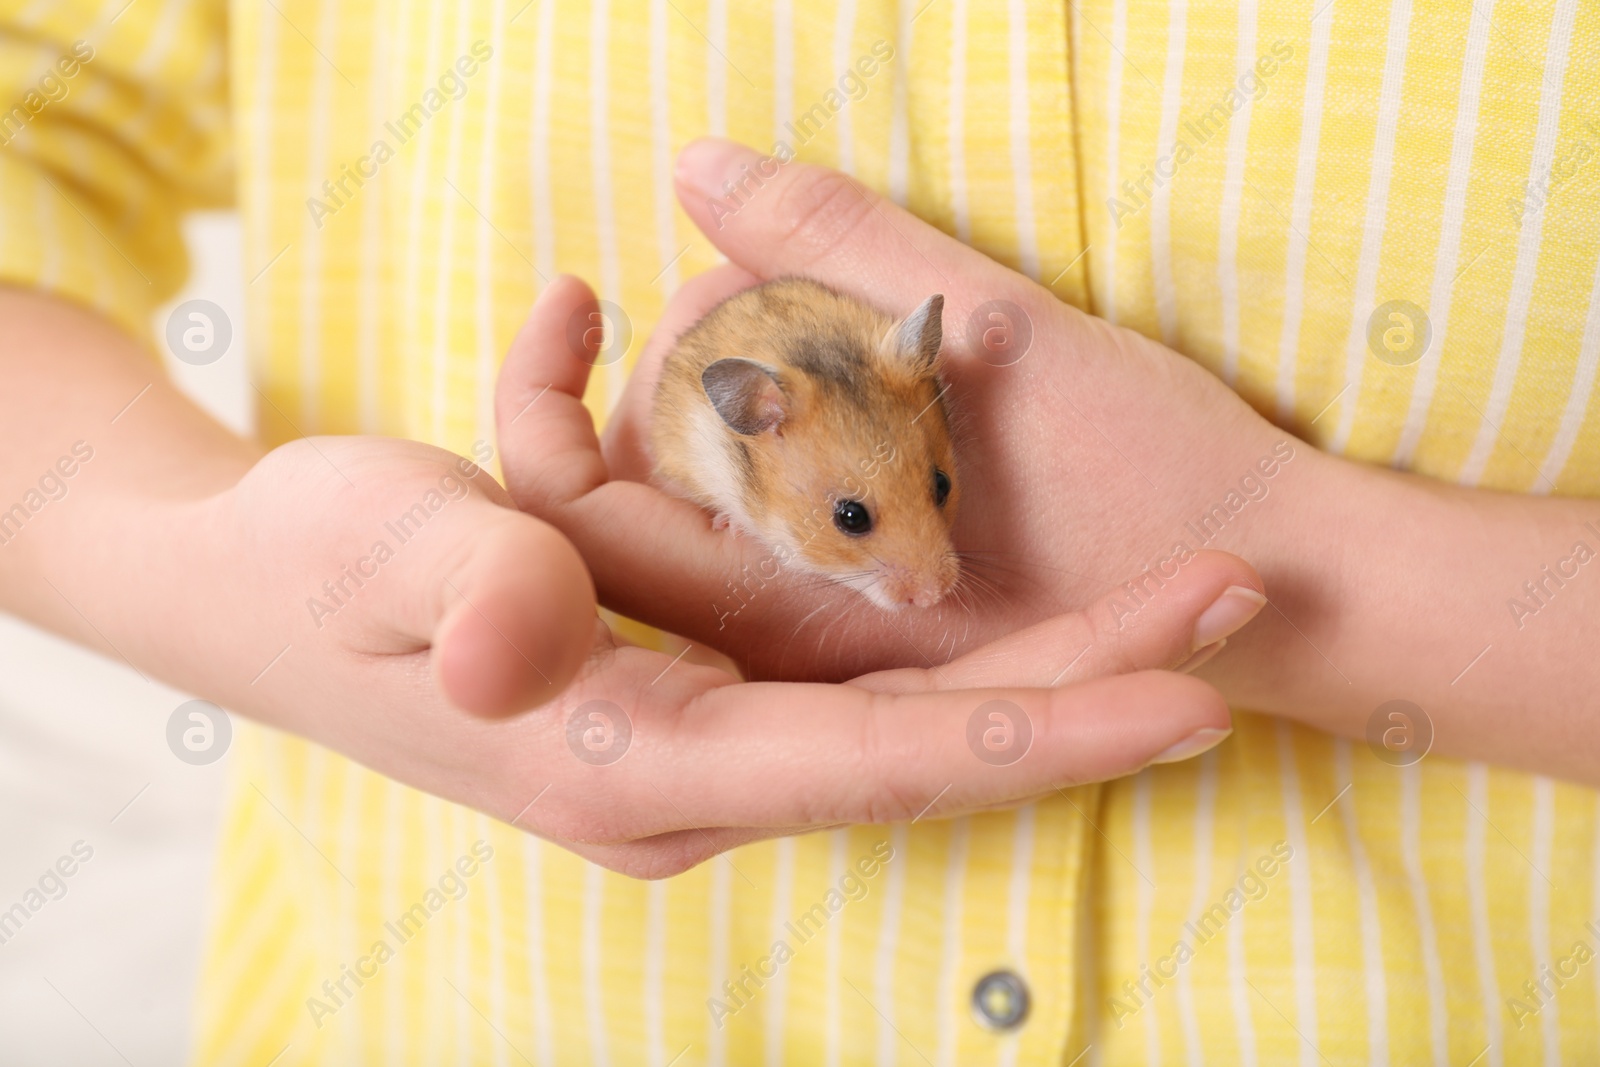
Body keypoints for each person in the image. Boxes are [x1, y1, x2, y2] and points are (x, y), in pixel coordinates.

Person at [1, 0, 1596, 1063]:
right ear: (752, 431)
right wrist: (222, 582)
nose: (923, 569)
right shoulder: (752, 419)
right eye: (858, 522)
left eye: (934, 505)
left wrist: (1318, 579)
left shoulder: (884, 426)